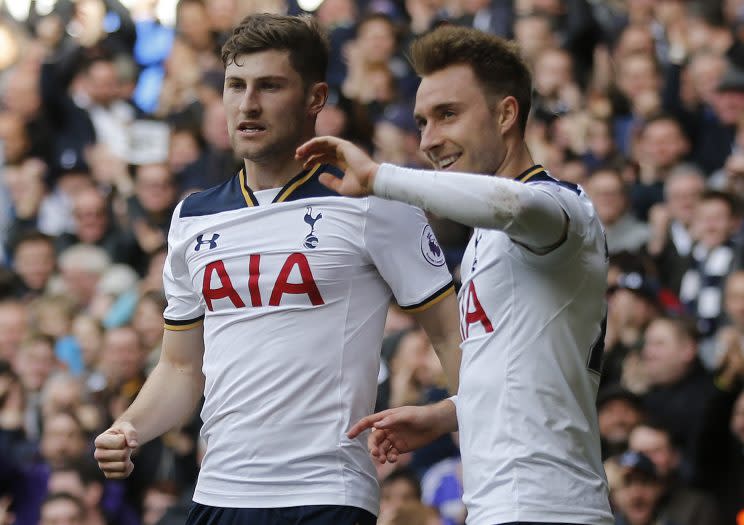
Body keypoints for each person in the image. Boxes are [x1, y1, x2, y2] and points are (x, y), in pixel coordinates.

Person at [93, 13, 460, 525]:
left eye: (270, 86)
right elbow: (180, 367)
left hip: (326, 493)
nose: (248, 103)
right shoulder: (192, 216)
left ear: (315, 99)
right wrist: (128, 426)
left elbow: (452, 335)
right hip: (219, 491)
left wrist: (457, 414)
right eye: (235, 86)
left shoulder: (371, 200)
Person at [298, 25, 613, 524]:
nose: (429, 140)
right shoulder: (484, 240)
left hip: (549, 509)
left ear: (506, 113)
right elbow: (525, 371)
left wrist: (382, 177)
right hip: (500, 507)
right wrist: (448, 414)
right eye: (422, 121)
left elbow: (512, 204)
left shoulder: (562, 210)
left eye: (448, 115)